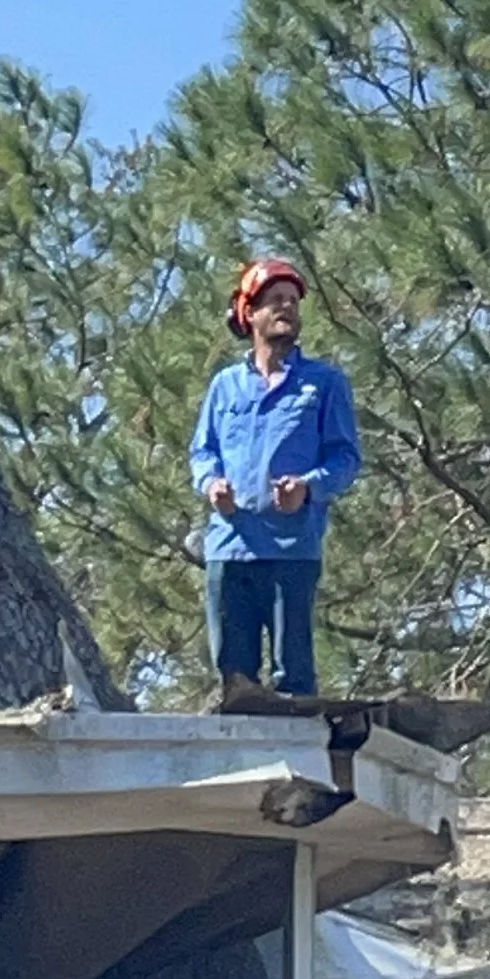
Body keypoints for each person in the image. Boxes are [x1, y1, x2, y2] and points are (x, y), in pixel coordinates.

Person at [189, 259, 361, 708]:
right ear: (250, 314)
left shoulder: (323, 383)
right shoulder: (225, 386)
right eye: (274, 301)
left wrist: (309, 486)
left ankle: (299, 768)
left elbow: (346, 458)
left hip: (292, 550)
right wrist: (212, 485)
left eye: (292, 301)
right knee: (235, 681)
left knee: (294, 681)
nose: (286, 308)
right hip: (231, 548)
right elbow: (202, 452)